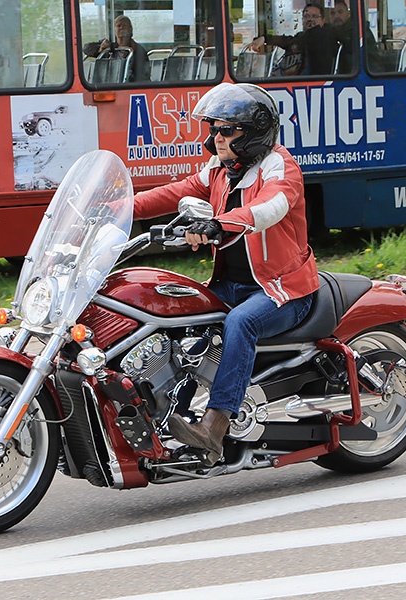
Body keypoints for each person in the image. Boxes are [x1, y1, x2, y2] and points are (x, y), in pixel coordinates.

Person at [133, 83, 319, 464]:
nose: (215, 138)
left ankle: (214, 427)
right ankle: (169, 417)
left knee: (241, 323)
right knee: (175, 317)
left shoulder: (280, 168)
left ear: (253, 132)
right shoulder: (220, 171)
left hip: (281, 289)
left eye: (226, 130)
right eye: (213, 129)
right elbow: (174, 192)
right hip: (231, 285)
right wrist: (118, 207)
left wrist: (221, 224)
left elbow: (270, 207)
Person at [247, 3, 326, 76]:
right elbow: (287, 41)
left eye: (315, 16)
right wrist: (264, 38)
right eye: (306, 16)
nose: (310, 19)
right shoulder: (298, 39)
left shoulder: (325, 38)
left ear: (323, 20)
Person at [83, 15, 149, 82]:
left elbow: (143, 75)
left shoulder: (138, 50)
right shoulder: (109, 45)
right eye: (118, 26)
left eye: (124, 25)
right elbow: (86, 48)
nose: (121, 28)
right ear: (114, 30)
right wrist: (101, 49)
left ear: (130, 29)